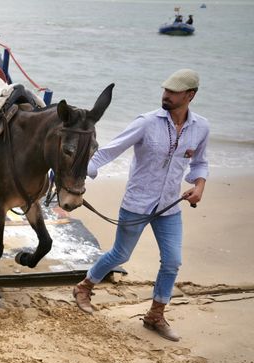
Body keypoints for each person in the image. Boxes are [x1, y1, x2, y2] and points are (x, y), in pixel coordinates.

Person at [73, 69, 209, 342]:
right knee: (120, 255)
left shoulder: (201, 127)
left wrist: (199, 186)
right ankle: (84, 287)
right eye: (165, 90)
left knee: (172, 261)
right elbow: (109, 150)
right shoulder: (146, 123)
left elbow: (200, 163)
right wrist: (73, 175)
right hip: (137, 203)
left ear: (190, 95)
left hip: (170, 206)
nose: (165, 95)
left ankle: (155, 315)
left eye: (173, 92)